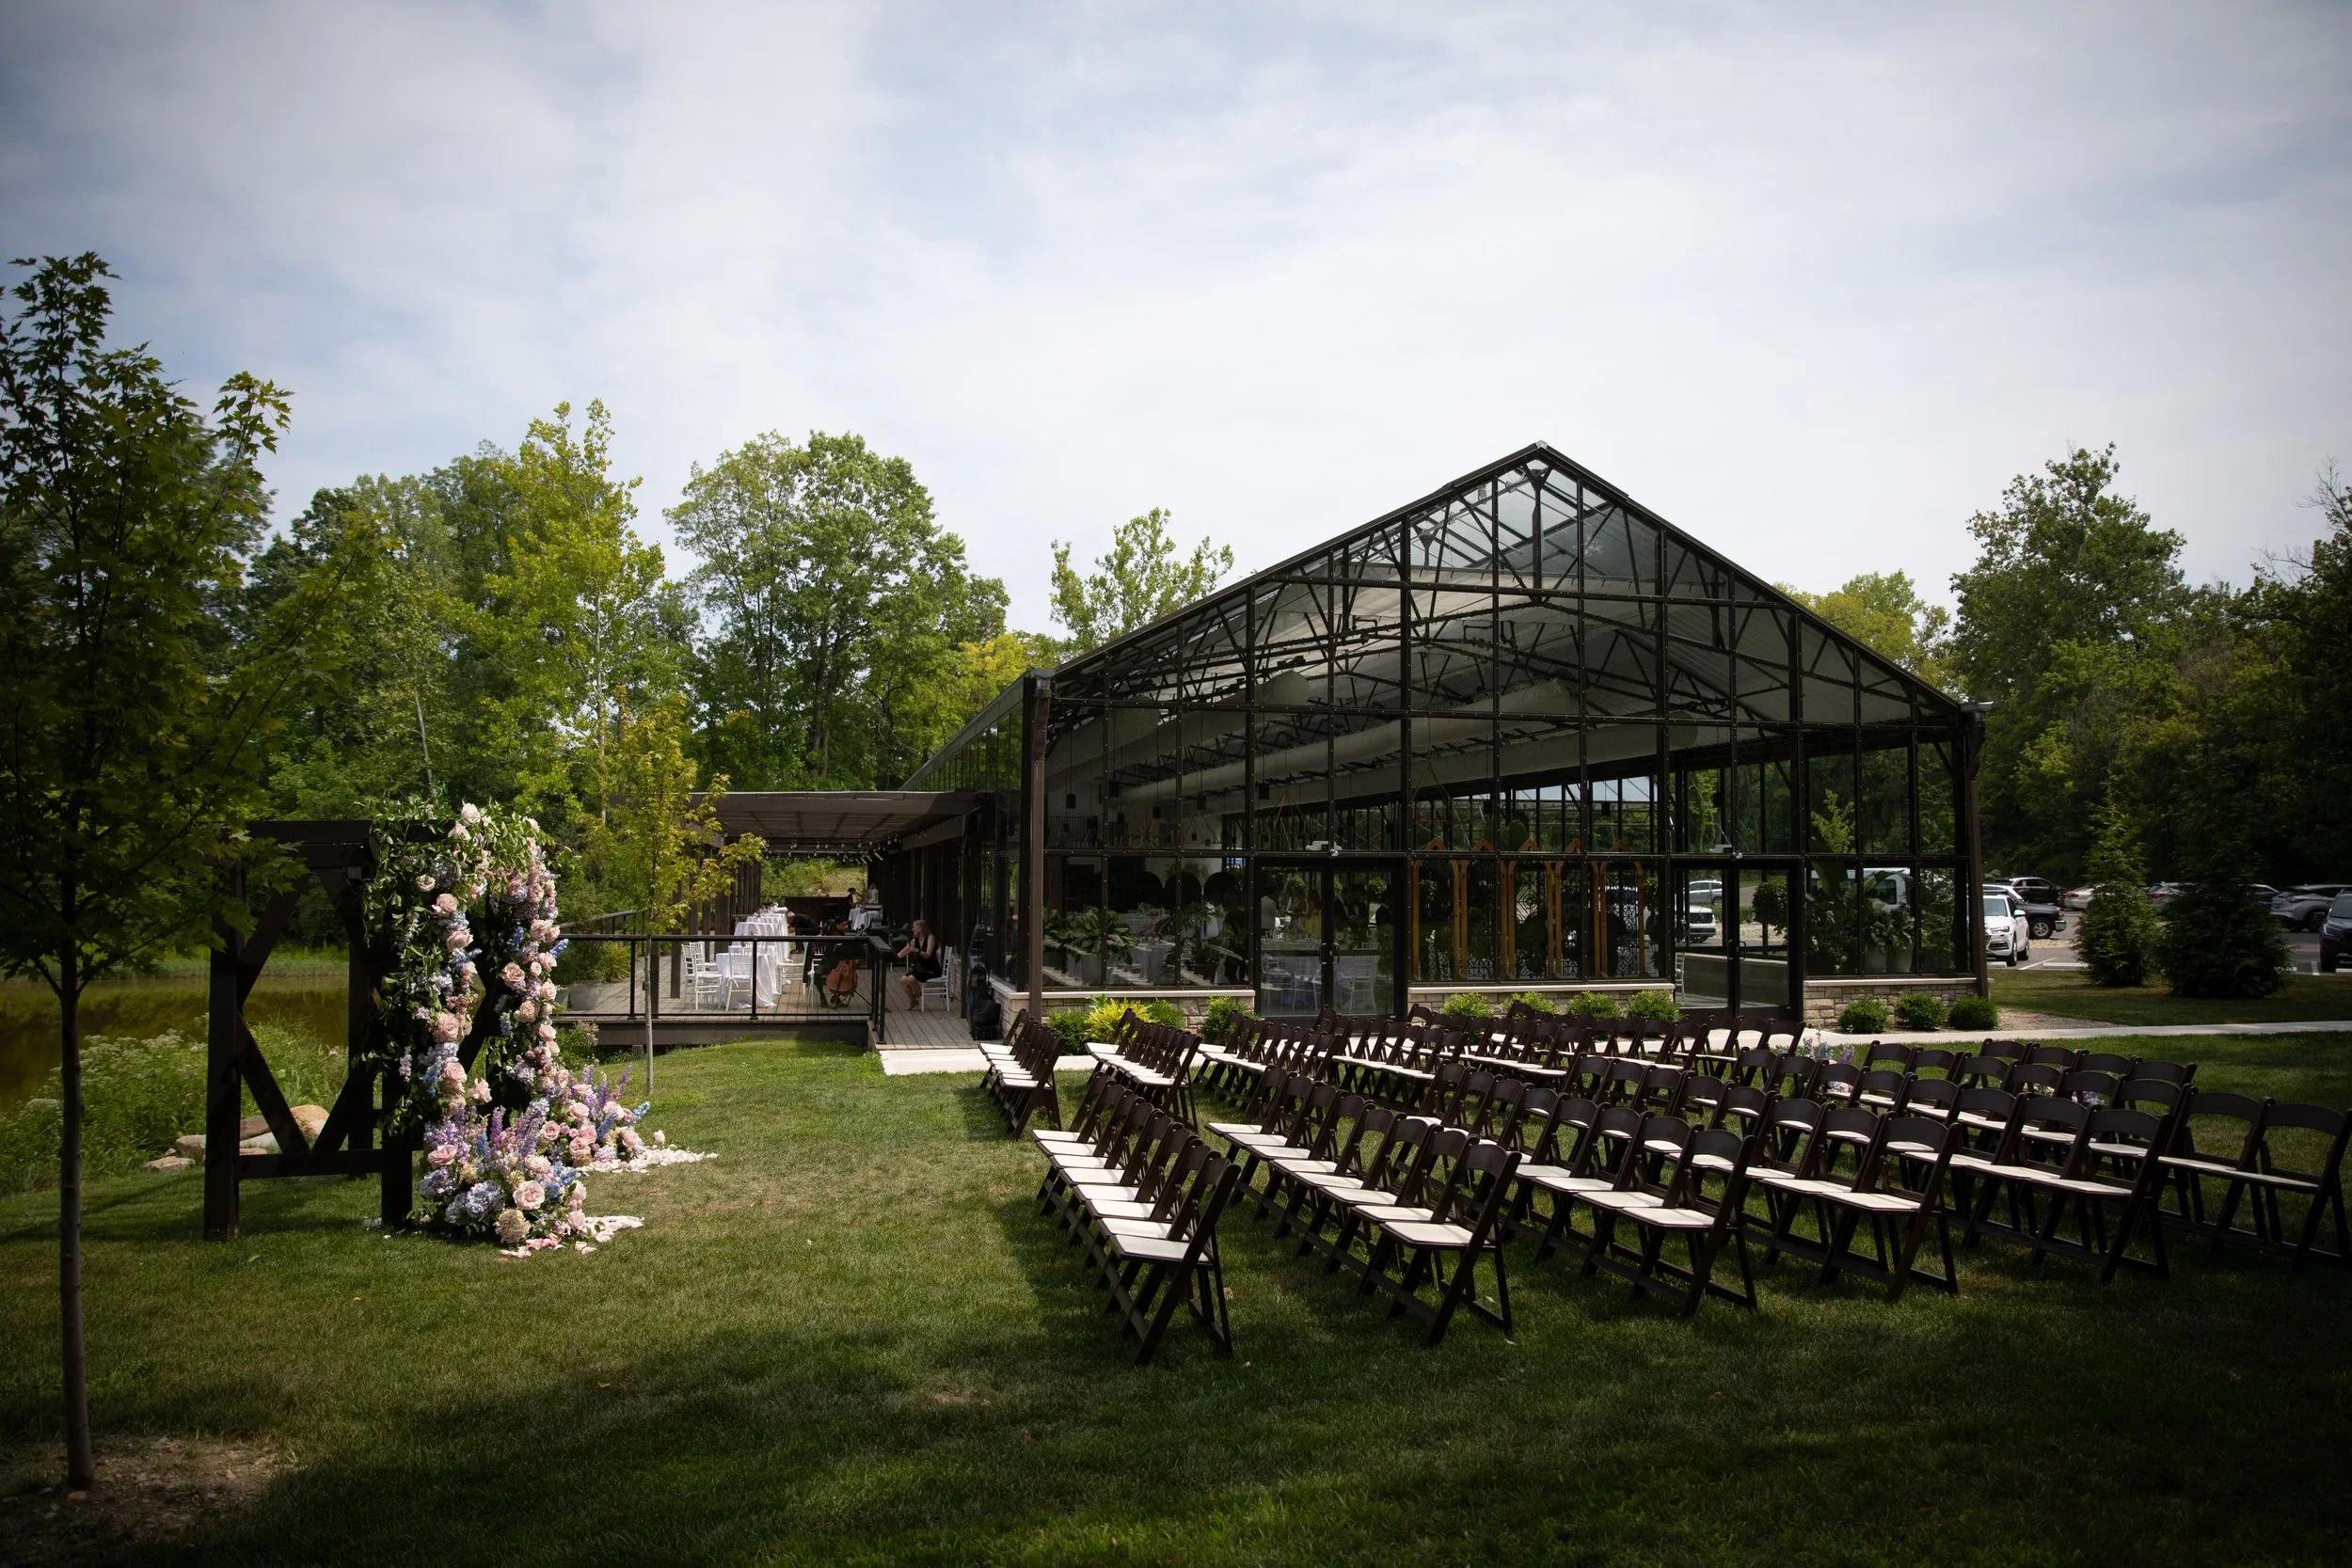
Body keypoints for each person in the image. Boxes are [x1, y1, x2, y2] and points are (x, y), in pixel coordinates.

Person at [898, 918, 941, 1006]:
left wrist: (916, 950)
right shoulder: (914, 941)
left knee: (911, 979)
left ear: (921, 928)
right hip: (919, 968)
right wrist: (892, 955)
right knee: (903, 980)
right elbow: (902, 953)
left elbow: (928, 955)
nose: (913, 929)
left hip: (931, 969)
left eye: (914, 927)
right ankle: (913, 1001)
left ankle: (917, 995)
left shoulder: (930, 937)